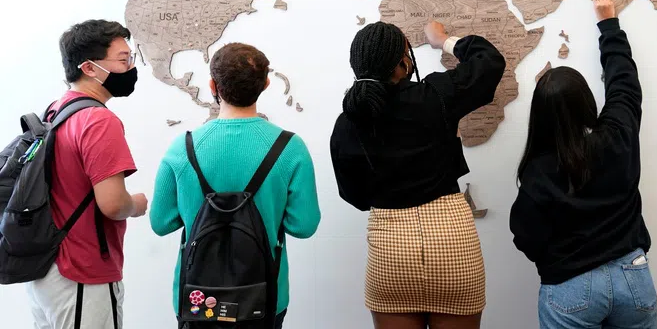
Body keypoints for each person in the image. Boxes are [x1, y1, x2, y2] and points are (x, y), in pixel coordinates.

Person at [330, 21, 506, 329]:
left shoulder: (347, 123)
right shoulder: (437, 94)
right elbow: (490, 62)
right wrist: (444, 41)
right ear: (403, 62)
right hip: (452, 248)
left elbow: (354, 197)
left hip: (390, 254)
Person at [509, 0, 657, 329]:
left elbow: (525, 235)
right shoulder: (617, 135)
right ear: (588, 102)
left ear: (541, 115)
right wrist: (608, 24)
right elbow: (624, 83)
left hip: (570, 287)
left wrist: (560, 258)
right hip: (633, 277)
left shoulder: (538, 172)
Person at [150, 43, 320, 329]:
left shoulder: (183, 148)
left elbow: (161, 222)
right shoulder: (290, 148)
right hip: (264, 296)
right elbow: (304, 225)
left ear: (212, 85)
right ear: (266, 84)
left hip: (197, 298)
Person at [25, 19, 148, 329]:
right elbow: (113, 204)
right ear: (90, 68)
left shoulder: (55, 110)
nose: (131, 67)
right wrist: (137, 204)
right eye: (123, 60)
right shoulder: (98, 121)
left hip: (46, 269)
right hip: (82, 272)